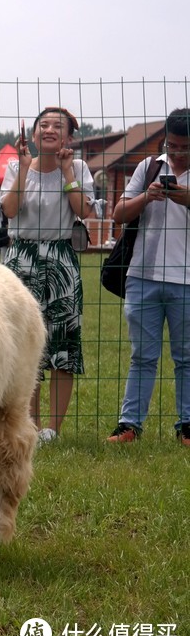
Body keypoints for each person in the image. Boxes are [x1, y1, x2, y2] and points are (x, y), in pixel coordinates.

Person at [0, 106, 96, 444]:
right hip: (21, 258)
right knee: (26, 345)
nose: (50, 129)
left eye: (59, 126)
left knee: (63, 343)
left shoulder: (79, 168)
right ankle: (29, 423)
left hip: (60, 258)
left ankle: (53, 429)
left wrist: (68, 171)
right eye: (44, 124)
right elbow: (10, 210)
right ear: (33, 133)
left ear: (69, 136)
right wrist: (25, 169)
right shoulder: (15, 167)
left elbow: (84, 210)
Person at [108, 108, 190, 447]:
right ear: (164, 141)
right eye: (172, 146)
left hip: (187, 280)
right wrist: (147, 196)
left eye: (184, 148)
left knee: (186, 357)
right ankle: (129, 424)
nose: (178, 153)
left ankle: (187, 425)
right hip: (143, 275)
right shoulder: (149, 167)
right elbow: (118, 213)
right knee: (142, 355)